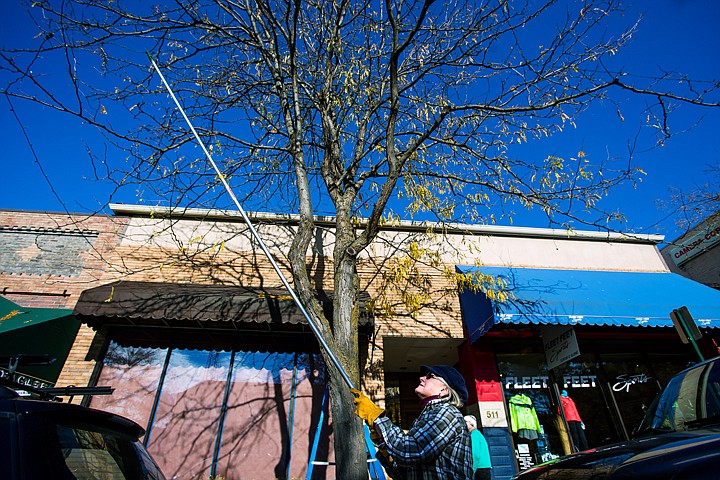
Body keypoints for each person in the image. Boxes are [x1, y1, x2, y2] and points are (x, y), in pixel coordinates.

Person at [352, 364, 474, 479]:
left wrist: (376, 417)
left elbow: (411, 450)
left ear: (445, 390)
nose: (421, 378)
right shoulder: (429, 416)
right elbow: (409, 474)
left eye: (430, 376)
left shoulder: (446, 413)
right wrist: (387, 456)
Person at [464, 414, 492, 480]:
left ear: (471, 424)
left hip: (480, 469)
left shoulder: (474, 435)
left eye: (465, 422)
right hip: (484, 468)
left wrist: (472, 471)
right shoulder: (478, 434)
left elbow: (475, 454)